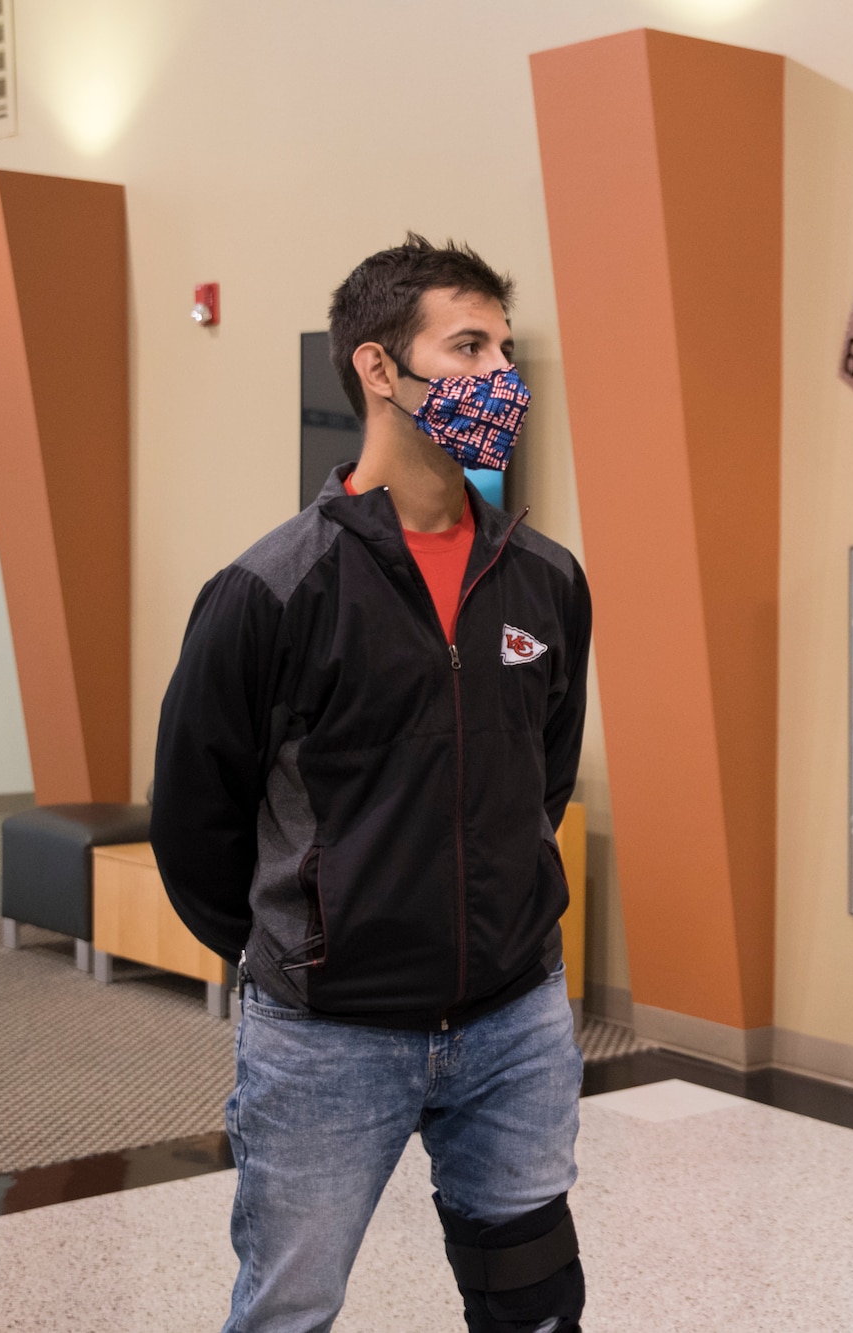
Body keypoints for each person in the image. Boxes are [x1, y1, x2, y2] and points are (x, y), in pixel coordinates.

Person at [151, 235, 592, 1333]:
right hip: (326, 1041)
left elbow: (541, 778)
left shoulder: (546, 578)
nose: (502, 377)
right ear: (378, 369)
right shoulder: (271, 588)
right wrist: (303, 944)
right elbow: (196, 821)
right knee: (288, 1311)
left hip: (513, 1022)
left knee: (535, 1302)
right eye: (468, 346)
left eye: (503, 347)